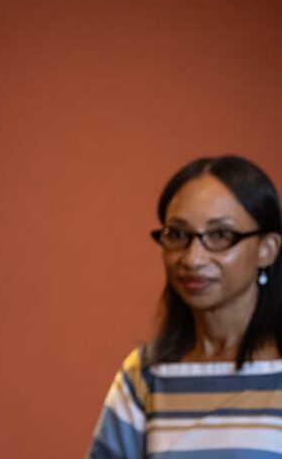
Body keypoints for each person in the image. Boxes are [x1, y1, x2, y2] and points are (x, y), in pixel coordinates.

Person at [89, 155, 282, 458]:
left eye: (220, 235)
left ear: (267, 249)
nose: (193, 259)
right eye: (178, 235)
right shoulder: (144, 376)